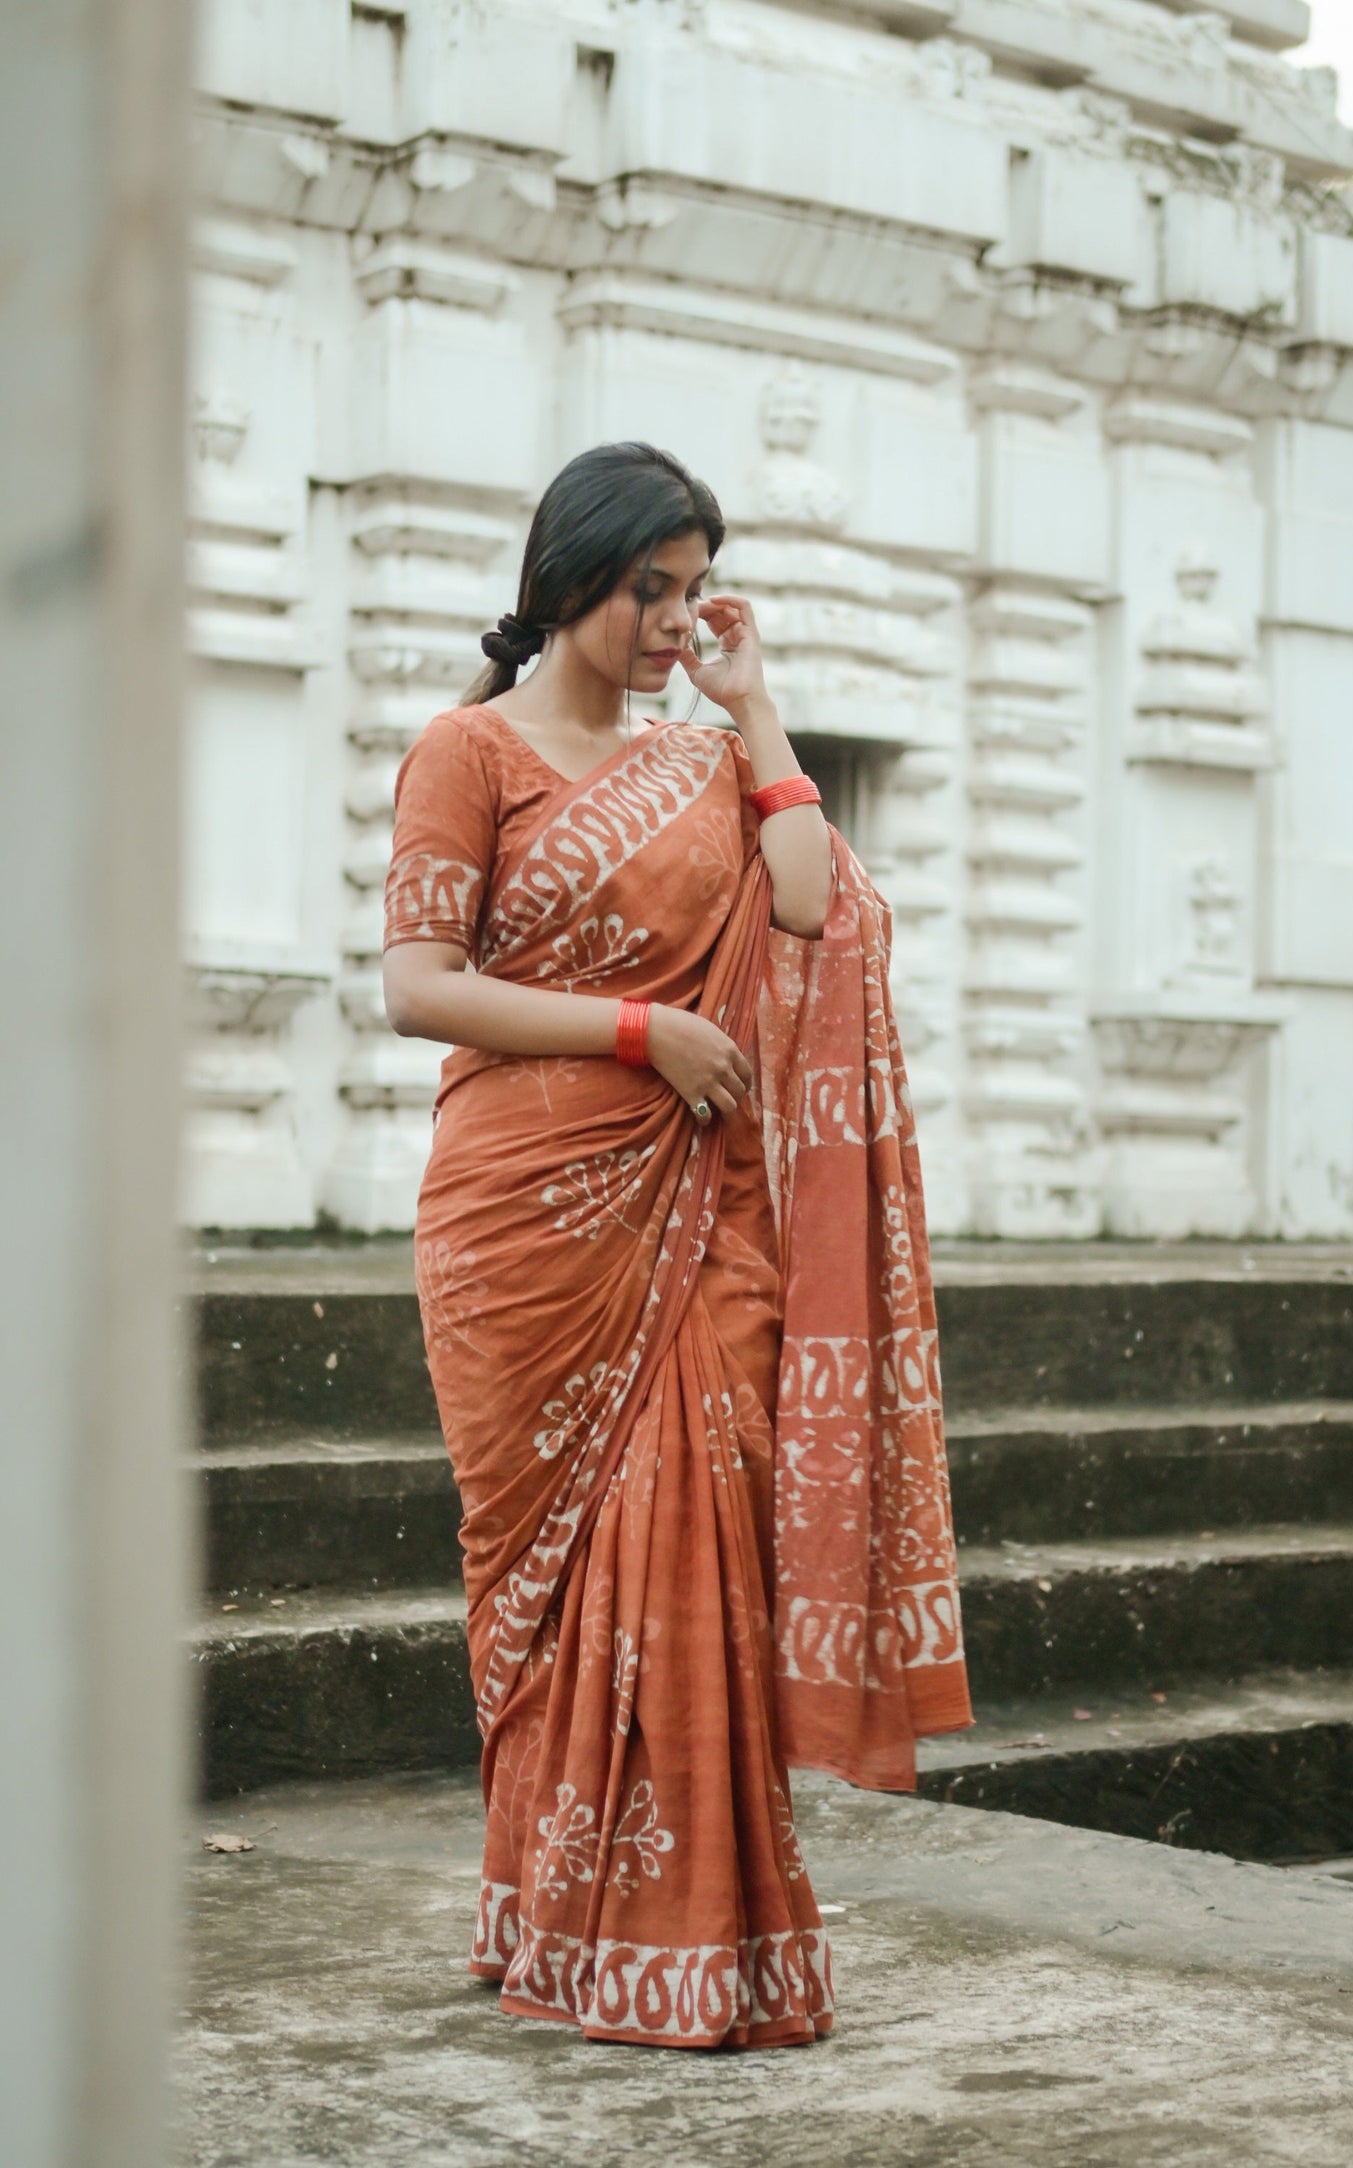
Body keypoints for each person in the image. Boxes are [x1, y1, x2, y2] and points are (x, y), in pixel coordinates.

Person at [381, 440, 972, 2051]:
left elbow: (807, 912)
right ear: (570, 572)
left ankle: (688, 1940)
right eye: (649, 586)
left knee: (698, 1542)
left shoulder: (699, 759)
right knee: (551, 1591)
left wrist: (755, 708)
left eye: (693, 588)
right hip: (522, 1218)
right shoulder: (466, 750)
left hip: (694, 1221)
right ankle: (552, 1918)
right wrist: (639, 1029)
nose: (670, 617)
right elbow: (418, 986)